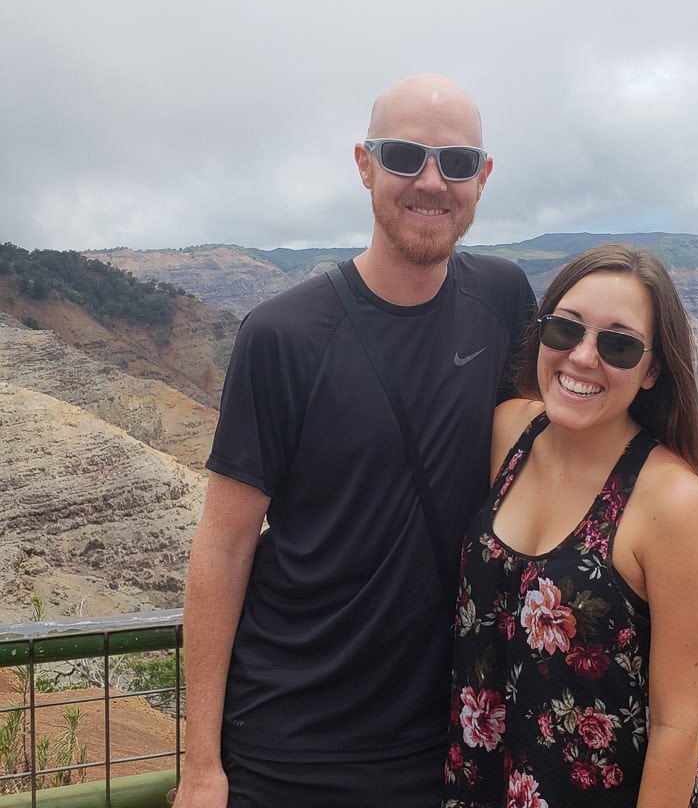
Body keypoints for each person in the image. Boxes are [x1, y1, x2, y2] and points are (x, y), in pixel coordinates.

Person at [173, 74, 536, 808]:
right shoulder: (282, 336)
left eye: (457, 162)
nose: (432, 182)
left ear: (484, 177)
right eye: (405, 156)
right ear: (365, 164)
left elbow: (550, 459)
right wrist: (201, 765)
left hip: (446, 745)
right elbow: (225, 544)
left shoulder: (502, 299)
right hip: (291, 746)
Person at [442, 244, 698, 807]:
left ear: (652, 372)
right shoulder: (509, 436)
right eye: (565, 329)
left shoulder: (672, 503)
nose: (581, 357)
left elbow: (680, 727)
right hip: (478, 785)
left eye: (618, 345)